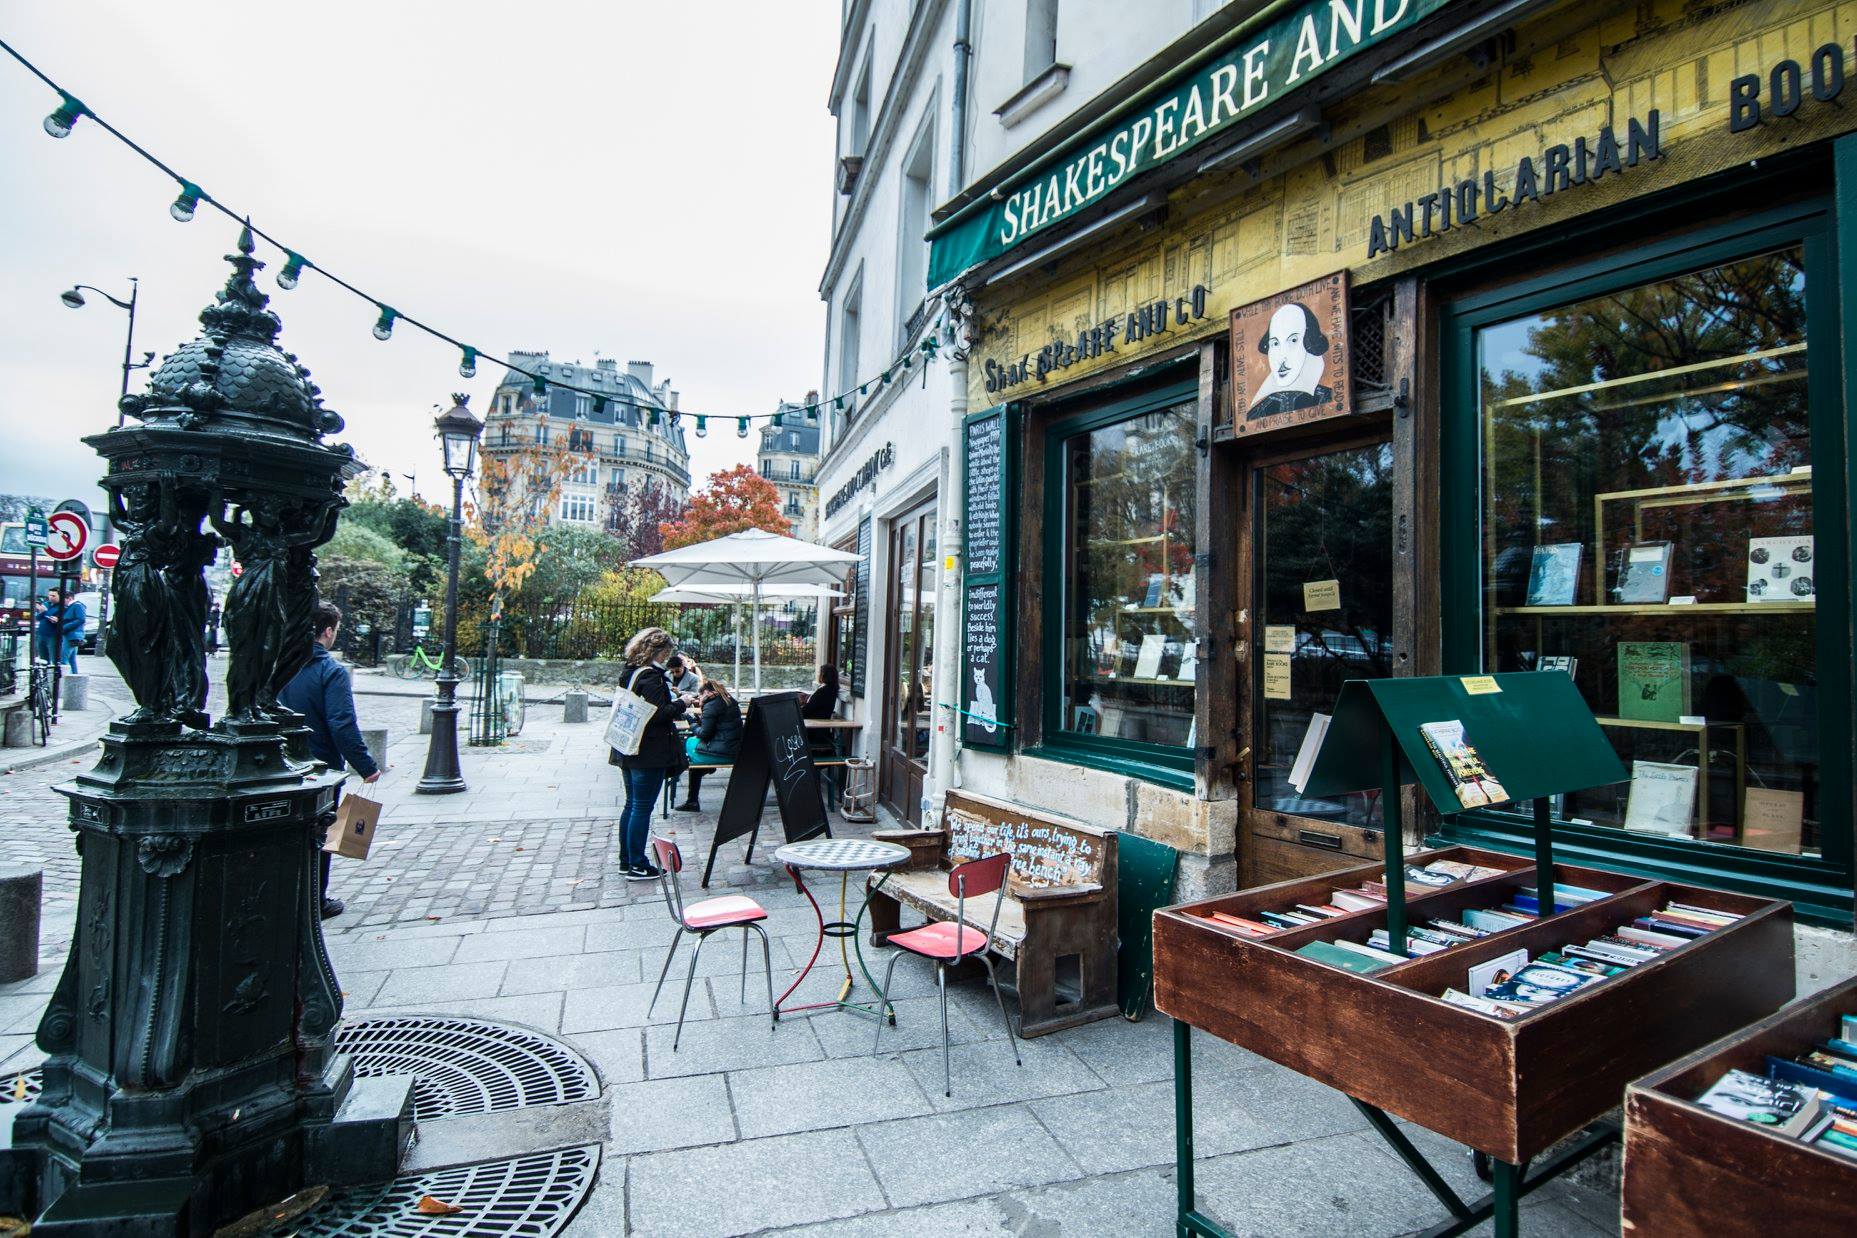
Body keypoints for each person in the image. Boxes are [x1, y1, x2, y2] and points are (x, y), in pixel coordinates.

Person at [279, 602, 381, 919]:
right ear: (327, 630)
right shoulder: (330, 671)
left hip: (281, 761)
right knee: (322, 833)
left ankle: (285, 893)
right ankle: (315, 899)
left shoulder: (279, 666)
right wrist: (367, 767)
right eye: (336, 629)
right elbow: (341, 724)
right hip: (321, 765)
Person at [614, 626, 688, 880]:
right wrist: (682, 703)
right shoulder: (652, 677)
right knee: (642, 808)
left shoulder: (631, 672)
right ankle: (637, 863)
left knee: (632, 805)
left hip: (628, 747)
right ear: (659, 651)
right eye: (666, 653)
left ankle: (626, 860)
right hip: (649, 751)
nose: (667, 658)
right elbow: (659, 714)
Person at [676, 678, 742, 812]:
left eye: (700, 695)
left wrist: (693, 724)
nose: (699, 698)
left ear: (706, 692)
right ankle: (693, 796)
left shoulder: (711, 705)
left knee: (688, 742)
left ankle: (690, 792)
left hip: (722, 754)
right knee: (695, 757)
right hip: (735, 751)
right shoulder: (730, 701)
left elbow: (705, 734)